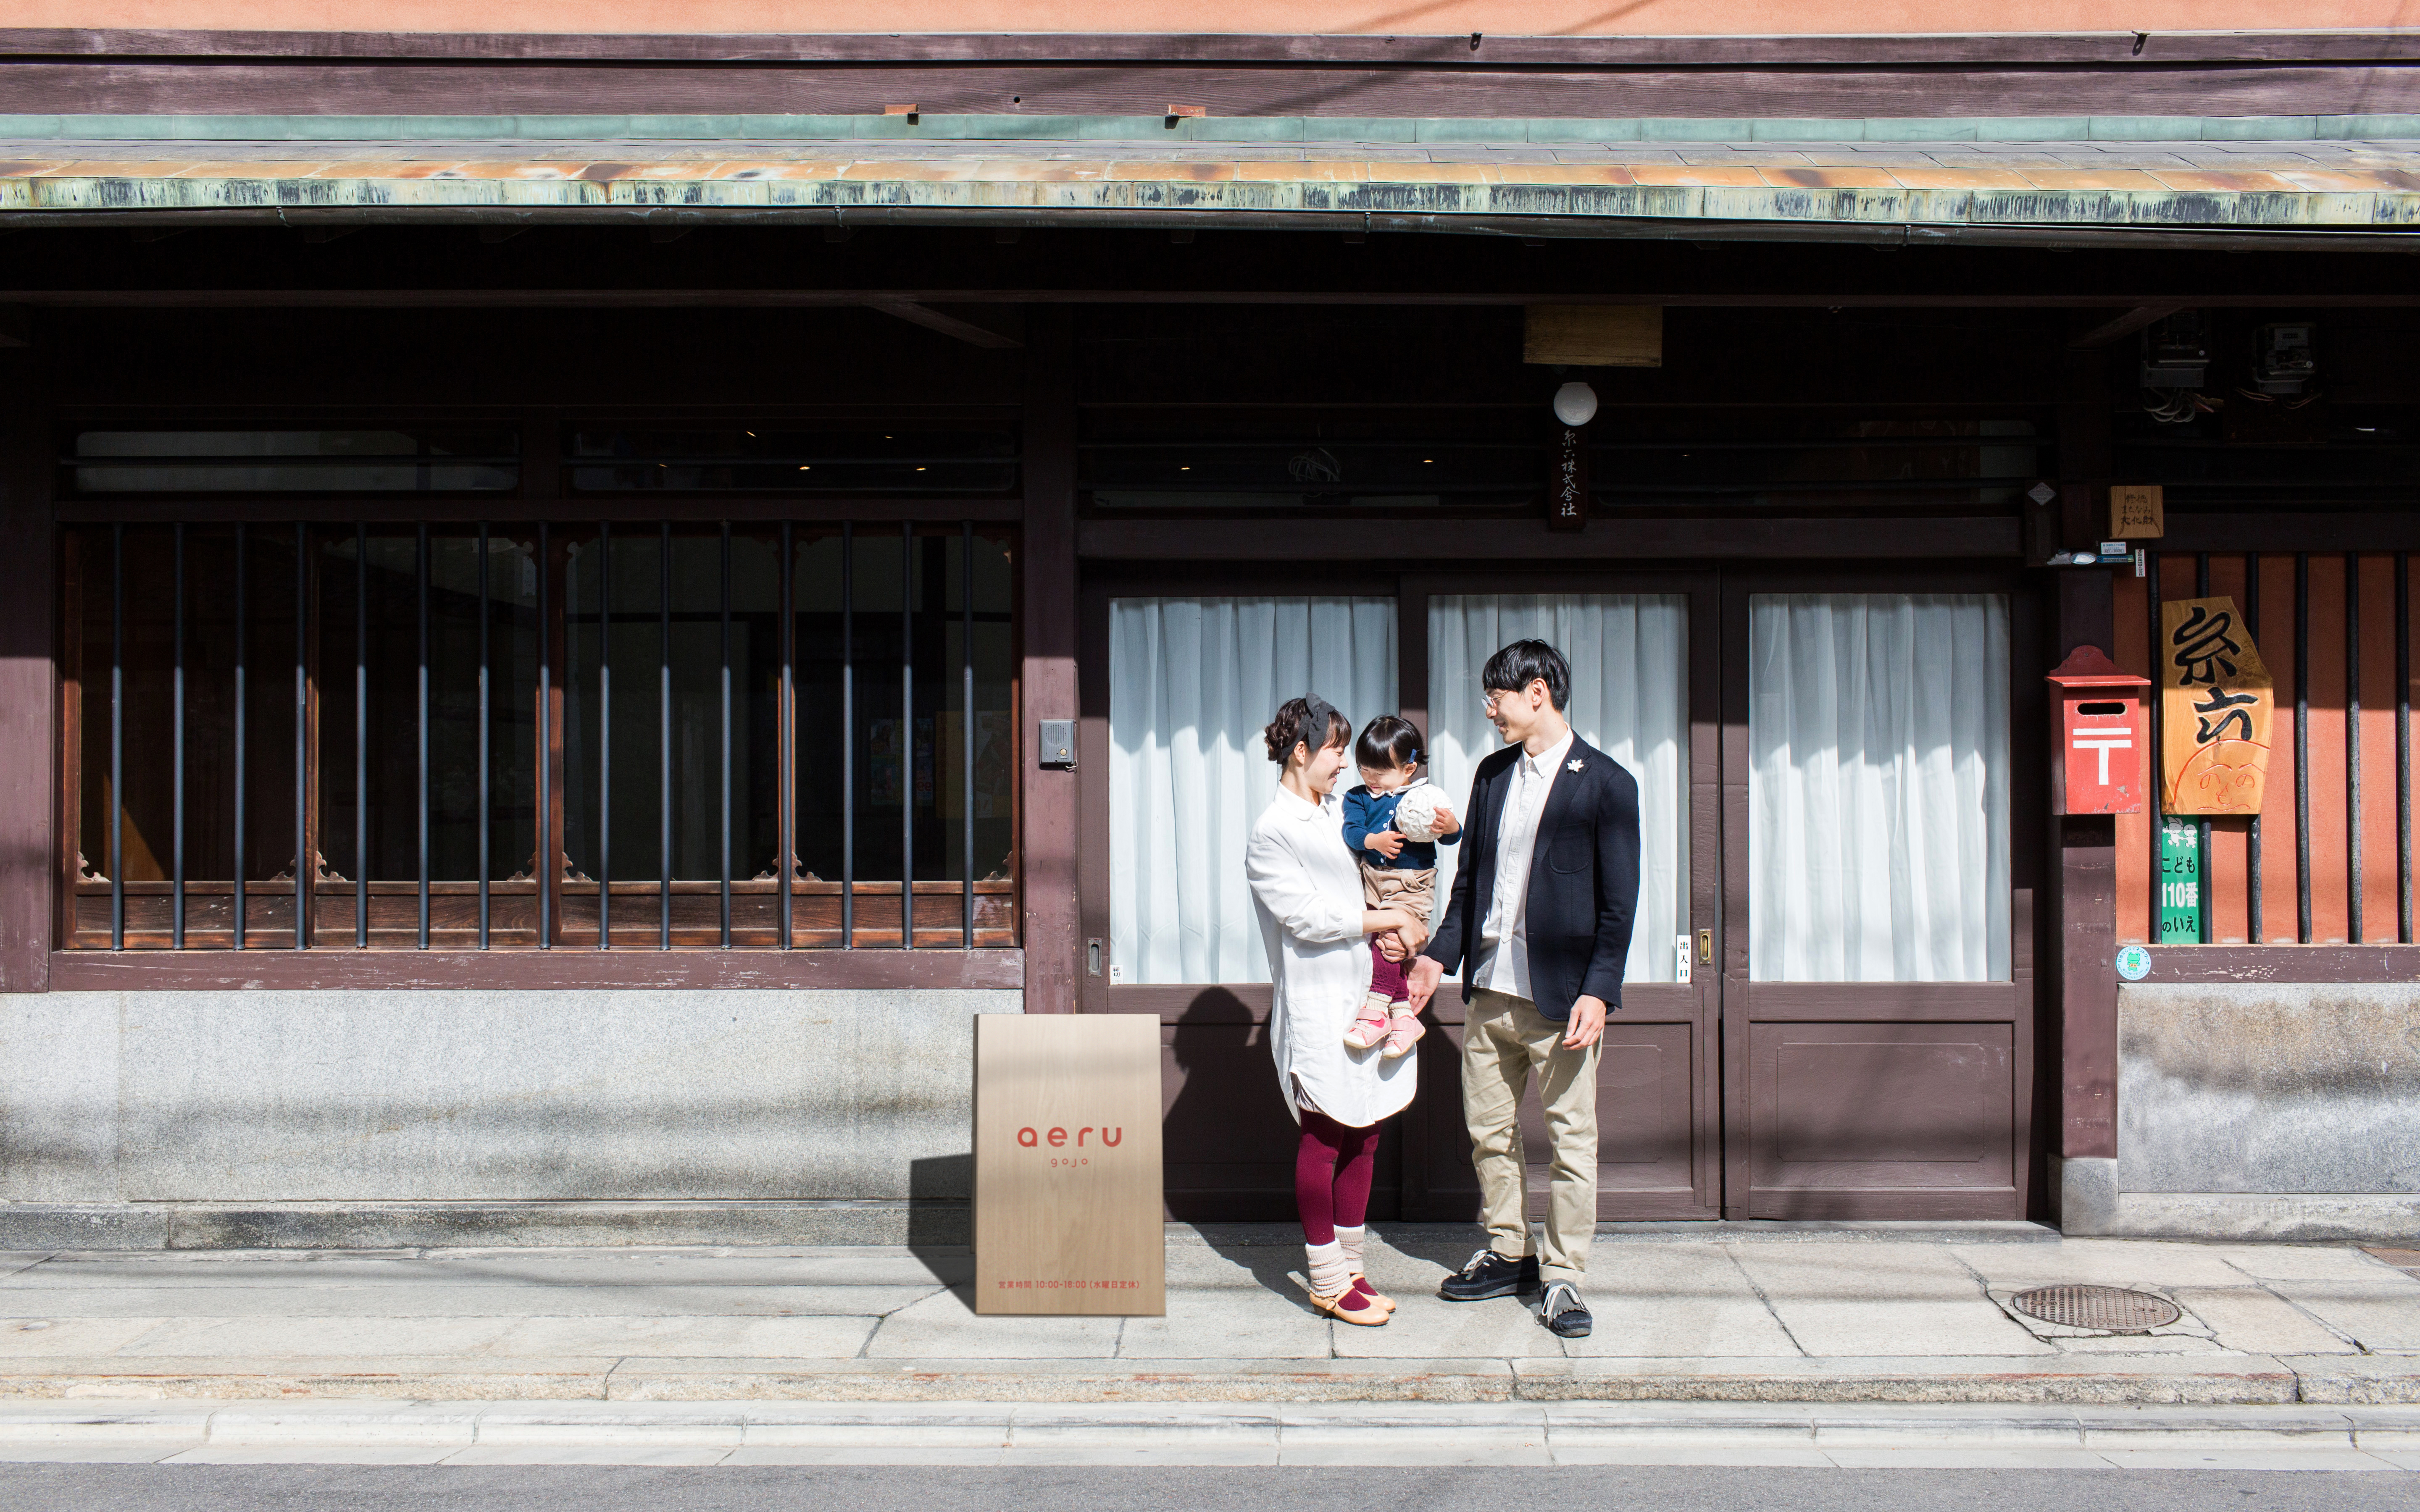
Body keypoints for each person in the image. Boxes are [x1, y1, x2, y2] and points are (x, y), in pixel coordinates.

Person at [1406, 640, 1640, 1340]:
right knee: (1489, 1133)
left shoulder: (1606, 782)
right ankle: (1509, 1250)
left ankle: (1564, 1275)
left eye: (1497, 697)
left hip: (1563, 998)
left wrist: (1600, 989)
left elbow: (1618, 906)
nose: (1489, 710)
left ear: (1537, 692)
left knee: (1572, 1140)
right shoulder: (1491, 775)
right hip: (1489, 990)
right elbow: (1470, 884)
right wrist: (1436, 960)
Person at [1245, 694, 1429, 1329]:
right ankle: (1325, 1277)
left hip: (1366, 995)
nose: (1343, 765)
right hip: (1318, 1000)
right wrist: (1387, 918)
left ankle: (1352, 1266)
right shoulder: (1273, 831)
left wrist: (1404, 930)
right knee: (1325, 1134)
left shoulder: (1332, 816)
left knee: (1367, 1129)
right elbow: (1306, 917)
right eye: (1334, 751)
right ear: (1301, 751)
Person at [1339, 714, 1462, 1057]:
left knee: (1390, 944)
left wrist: (1451, 826)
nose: (1370, 780)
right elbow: (1351, 831)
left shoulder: (1424, 797)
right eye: (1364, 770)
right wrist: (1372, 840)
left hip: (1411, 883)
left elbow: (1452, 838)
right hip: (1373, 881)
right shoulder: (1358, 797)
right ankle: (1404, 1017)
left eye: (1379, 774)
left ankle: (1377, 1010)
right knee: (1382, 942)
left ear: (1409, 769)